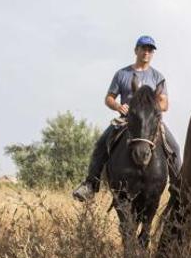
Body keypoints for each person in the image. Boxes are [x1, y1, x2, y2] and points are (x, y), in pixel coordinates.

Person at [71, 35, 182, 202]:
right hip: (127, 120)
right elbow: (109, 98)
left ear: (152, 54)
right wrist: (118, 106)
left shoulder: (157, 77)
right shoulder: (122, 74)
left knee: (174, 147)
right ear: (136, 50)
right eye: (143, 49)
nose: (146, 52)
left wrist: (149, 109)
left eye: (150, 50)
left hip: (150, 122)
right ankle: (90, 184)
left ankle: (179, 188)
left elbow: (164, 103)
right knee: (101, 144)